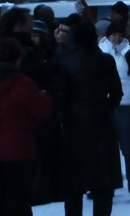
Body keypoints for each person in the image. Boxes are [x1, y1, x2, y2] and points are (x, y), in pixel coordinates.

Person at [51, 21, 122, 216]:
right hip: (101, 123)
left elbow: (60, 97)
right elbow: (117, 92)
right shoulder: (106, 60)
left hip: (74, 126)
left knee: (74, 185)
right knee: (103, 183)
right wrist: (107, 109)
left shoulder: (67, 61)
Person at [0, 37, 54, 216]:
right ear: (18, 59)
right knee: (19, 200)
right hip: (21, 149)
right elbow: (42, 111)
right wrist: (46, 96)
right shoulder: (23, 83)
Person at [97, 20, 130, 200]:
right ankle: (101, 186)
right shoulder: (100, 53)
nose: (116, 38)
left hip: (123, 106)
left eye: (119, 35)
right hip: (105, 107)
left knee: (128, 150)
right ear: (108, 37)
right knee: (104, 151)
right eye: (113, 35)